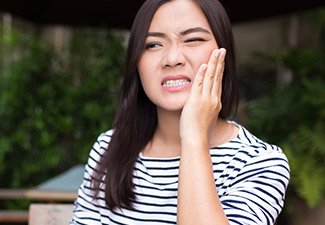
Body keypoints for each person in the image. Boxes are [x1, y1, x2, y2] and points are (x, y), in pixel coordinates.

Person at [71, 0, 290, 224]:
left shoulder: (259, 163)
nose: (172, 59)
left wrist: (194, 138)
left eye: (193, 39)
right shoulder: (110, 148)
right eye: (153, 45)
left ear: (225, 54)